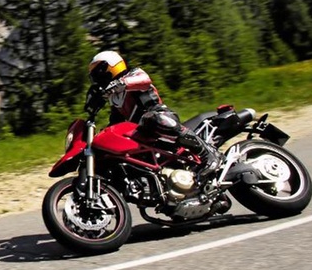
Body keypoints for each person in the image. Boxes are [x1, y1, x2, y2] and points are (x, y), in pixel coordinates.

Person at [87, 50, 222, 181]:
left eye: (98, 74)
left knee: (152, 119)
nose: (97, 80)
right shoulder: (115, 98)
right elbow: (116, 122)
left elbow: (145, 80)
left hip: (160, 116)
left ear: (110, 67)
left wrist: (120, 84)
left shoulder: (133, 74)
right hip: (142, 132)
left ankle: (209, 155)